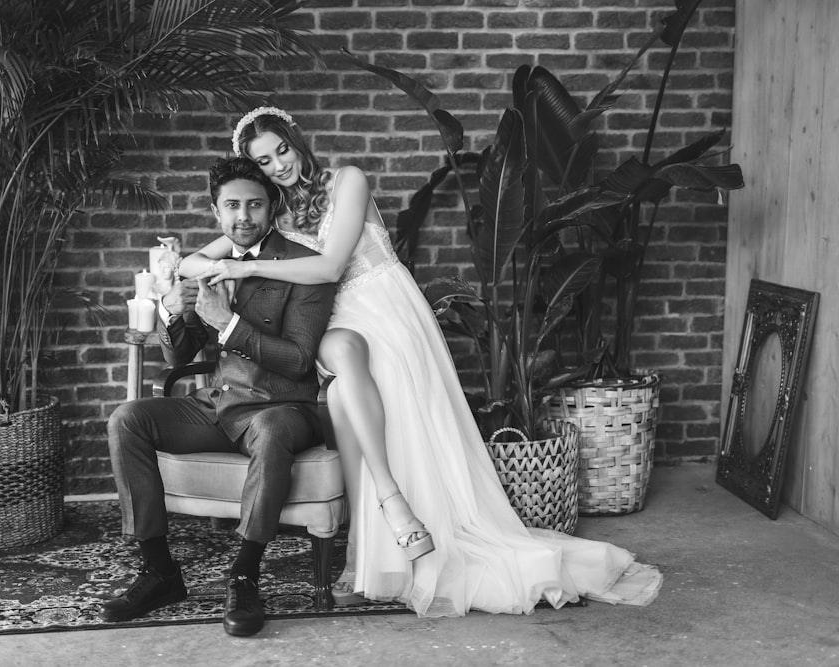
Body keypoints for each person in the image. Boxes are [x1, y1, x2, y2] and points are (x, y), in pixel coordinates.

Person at [177, 106, 663, 618]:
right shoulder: (270, 208)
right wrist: (208, 265)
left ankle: (389, 523)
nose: (279, 165)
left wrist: (228, 264)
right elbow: (190, 259)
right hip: (335, 319)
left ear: (297, 142)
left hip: (381, 305)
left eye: (283, 150)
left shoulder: (347, 181)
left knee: (352, 396)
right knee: (341, 369)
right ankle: (380, 530)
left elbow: (331, 265)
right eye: (264, 161)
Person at [104, 156, 336, 636]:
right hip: (219, 406)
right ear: (216, 212)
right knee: (127, 418)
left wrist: (226, 323)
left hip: (283, 408)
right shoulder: (208, 266)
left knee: (270, 429)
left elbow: (297, 361)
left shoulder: (303, 266)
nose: (243, 216)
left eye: (254, 205)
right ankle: (160, 572)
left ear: (272, 208)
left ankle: (245, 574)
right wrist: (173, 312)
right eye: (232, 206)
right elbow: (178, 358)